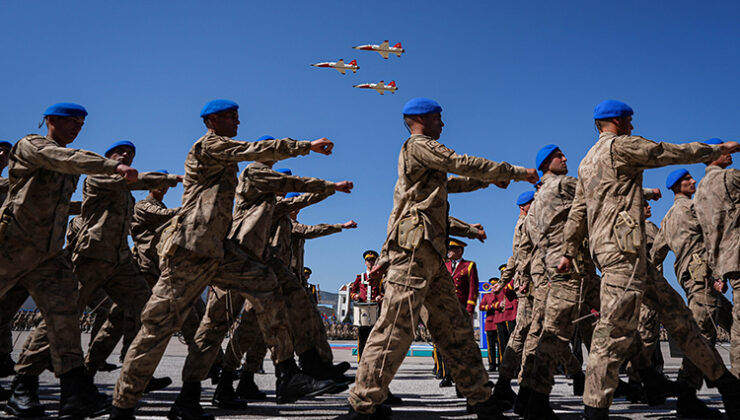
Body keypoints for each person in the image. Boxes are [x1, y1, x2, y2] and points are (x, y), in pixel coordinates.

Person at [108, 99, 338, 420]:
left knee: (266, 282)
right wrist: (305, 146)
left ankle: (286, 373)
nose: (237, 122)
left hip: (218, 249)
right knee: (157, 328)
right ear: (212, 120)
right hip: (190, 249)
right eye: (231, 116)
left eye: (237, 117)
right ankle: (122, 406)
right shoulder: (209, 145)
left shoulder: (223, 154)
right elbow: (252, 149)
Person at [342, 97, 539, 420]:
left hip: (430, 257)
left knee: (456, 329)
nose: (443, 124)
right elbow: (460, 163)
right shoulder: (418, 145)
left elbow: (453, 183)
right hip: (411, 254)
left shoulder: (426, 165)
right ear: (421, 118)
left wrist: (488, 180)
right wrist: (515, 172)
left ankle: (481, 399)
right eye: (439, 118)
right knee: (395, 327)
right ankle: (362, 405)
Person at [558, 99, 740, 419]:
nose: (633, 125)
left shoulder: (586, 162)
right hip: (622, 257)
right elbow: (663, 152)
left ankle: (725, 389)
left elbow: (578, 212)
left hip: (630, 258)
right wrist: (713, 150)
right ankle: (594, 411)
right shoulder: (620, 147)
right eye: (630, 120)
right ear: (616, 121)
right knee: (612, 335)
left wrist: (568, 251)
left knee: (681, 321)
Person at [0, 103, 138, 418]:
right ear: (49, 121)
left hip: (48, 255)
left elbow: (63, 201)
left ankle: (67, 394)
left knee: (64, 319)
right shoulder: (31, 145)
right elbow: (66, 157)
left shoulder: (67, 163)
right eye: (71, 121)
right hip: (12, 249)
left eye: (81, 122)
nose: (77, 126)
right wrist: (111, 167)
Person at [693, 138, 740, 379]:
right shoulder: (730, 177)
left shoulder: (699, 191)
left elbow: (708, 236)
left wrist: (716, 273)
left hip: (726, 261)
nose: (729, 154)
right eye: (723, 151)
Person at [492, 191, 535, 408]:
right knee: (525, 333)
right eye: (533, 202)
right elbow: (521, 256)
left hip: (530, 281)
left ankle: (512, 384)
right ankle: (508, 384)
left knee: (529, 333)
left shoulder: (524, 222)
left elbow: (515, 257)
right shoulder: (527, 223)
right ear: (524, 206)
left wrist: (504, 280)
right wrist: (520, 278)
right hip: (531, 284)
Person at [434, 238, 480, 387]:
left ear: (460, 251)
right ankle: (448, 375)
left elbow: (473, 290)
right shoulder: (443, 266)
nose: (449, 251)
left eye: (452, 249)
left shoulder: (469, 266)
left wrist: (469, 310)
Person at [350, 250, 383, 360]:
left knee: (374, 339)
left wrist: (380, 296)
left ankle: (372, 361)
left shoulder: (380, 278)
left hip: (376, 311)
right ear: (365, 262)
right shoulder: (360, 277)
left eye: (373, 260)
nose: (370, 262)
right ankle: (361, 362)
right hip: (363, 312)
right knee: (362, 339)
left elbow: (383, 291)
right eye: (368, 260)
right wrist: (355, 296)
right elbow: (352, 292)